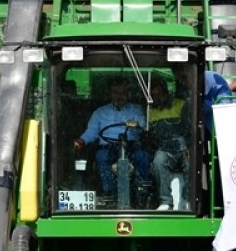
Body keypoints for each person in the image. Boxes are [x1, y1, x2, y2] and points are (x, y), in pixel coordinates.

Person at [74, 77, 149, 208]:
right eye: (116, 92)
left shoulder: (136, 110)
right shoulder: (100, 112)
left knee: (142, 156)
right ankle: (110, 194)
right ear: (110, 93)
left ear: (128, 93)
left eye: (123, 92)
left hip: (131, 145)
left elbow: (144, 127)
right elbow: (91, 132)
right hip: (108, 147)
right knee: (101, 157)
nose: (119, 96)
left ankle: (141, 193)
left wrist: (137, 125)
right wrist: (81, 141)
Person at [148, 76, 190, 210]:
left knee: (191, 163)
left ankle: (188, 200)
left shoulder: (181, 104)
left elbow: (190, 128)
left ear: (166, 91)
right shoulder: (149, 110)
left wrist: (189, 147)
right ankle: (166, 201)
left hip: (182, 147)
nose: (157, 97)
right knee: (158, 162)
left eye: (159, 93)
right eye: (153, 95)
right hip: (163, 148)